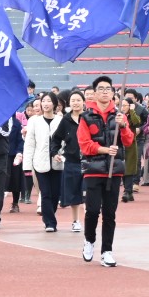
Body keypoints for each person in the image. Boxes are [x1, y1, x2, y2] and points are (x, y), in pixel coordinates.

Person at [77, 76, 135, 267]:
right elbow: (84, 145)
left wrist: (124, 126)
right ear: (94, 93)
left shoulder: (119, 116)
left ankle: (107, 251)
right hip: (93, 170)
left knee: (110, 213)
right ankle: (89, 240)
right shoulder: (86, 117)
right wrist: (104, 150)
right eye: (100, 89)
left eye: (108, 89)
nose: (104, 92)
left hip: (114, 171)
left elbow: (128, 141)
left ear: (113, 93)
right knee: (93, 210)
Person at [21, 92, 63, 232]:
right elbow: (30, 143)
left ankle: (48, 216)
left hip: (57, 163)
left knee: (55, 194)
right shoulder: (34, 121)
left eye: (49, 101)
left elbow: (66, 142)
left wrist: (62, 156)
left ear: (54, 104)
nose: (45, 104)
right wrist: (27, 165)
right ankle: (50, 223)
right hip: (40, 162)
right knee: (45, 193)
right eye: (43, 101)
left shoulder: (61, 120)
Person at [53, 90, 86, 233]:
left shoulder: (89, 117)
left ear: (83, 102)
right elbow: (56, 139)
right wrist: (55, 153)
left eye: (78, 100)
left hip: (89, 161)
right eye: (73, 100)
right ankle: (76, 221)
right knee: (74, 193)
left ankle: (90, 219)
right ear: (69, 103)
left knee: (89, 192)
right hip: (72, 161)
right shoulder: (66, 120)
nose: (76, 103)